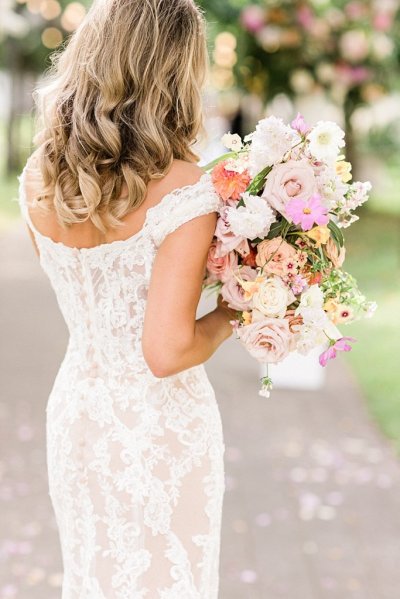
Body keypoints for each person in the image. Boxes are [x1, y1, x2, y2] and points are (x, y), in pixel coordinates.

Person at [17, 0, 237, 596]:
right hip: (161, 425)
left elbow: (83, 295)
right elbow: (164, 352)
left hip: (78, 414)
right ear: (175, 71)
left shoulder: (39, 175)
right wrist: (232, 313)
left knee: (93, 576)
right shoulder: (188, 191)